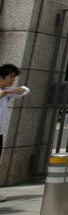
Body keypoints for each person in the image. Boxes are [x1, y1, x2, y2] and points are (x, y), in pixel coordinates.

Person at [0, 64, 30, 203]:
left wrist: (6, 92)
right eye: (10, 77)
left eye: (14, 77)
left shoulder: (7, 92)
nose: (12, 80)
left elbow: (25, 90)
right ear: (1, 77)